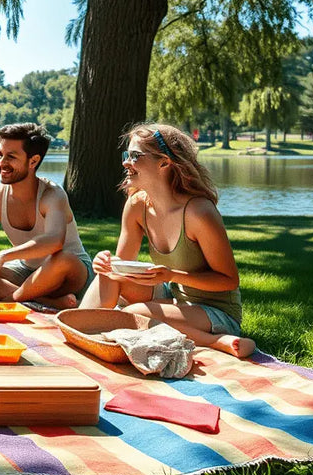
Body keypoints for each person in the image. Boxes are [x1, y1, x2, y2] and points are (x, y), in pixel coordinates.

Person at [81, 123, 255, 358]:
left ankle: (214, 341)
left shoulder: (198, 212)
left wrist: (172, 276)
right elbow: (122, 267)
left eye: (135, 156)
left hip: (216, 311)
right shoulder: (136, 205)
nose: (125, 162)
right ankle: (83, 329)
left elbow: (229, 280)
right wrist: (107, 264)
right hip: (175, 298)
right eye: (126, 155)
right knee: (110, 277)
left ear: (164, 162)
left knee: (133, 314)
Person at [0, 123, 93, 309]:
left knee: (62, 259)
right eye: (0, 154)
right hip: (26, 272)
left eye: (11, 157)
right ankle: (42, 301)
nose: (1, 162)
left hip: (69, 273)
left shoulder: (52, 195)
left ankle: (11, 300)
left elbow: (54, 241)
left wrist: (3, 255)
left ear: (33, 161)